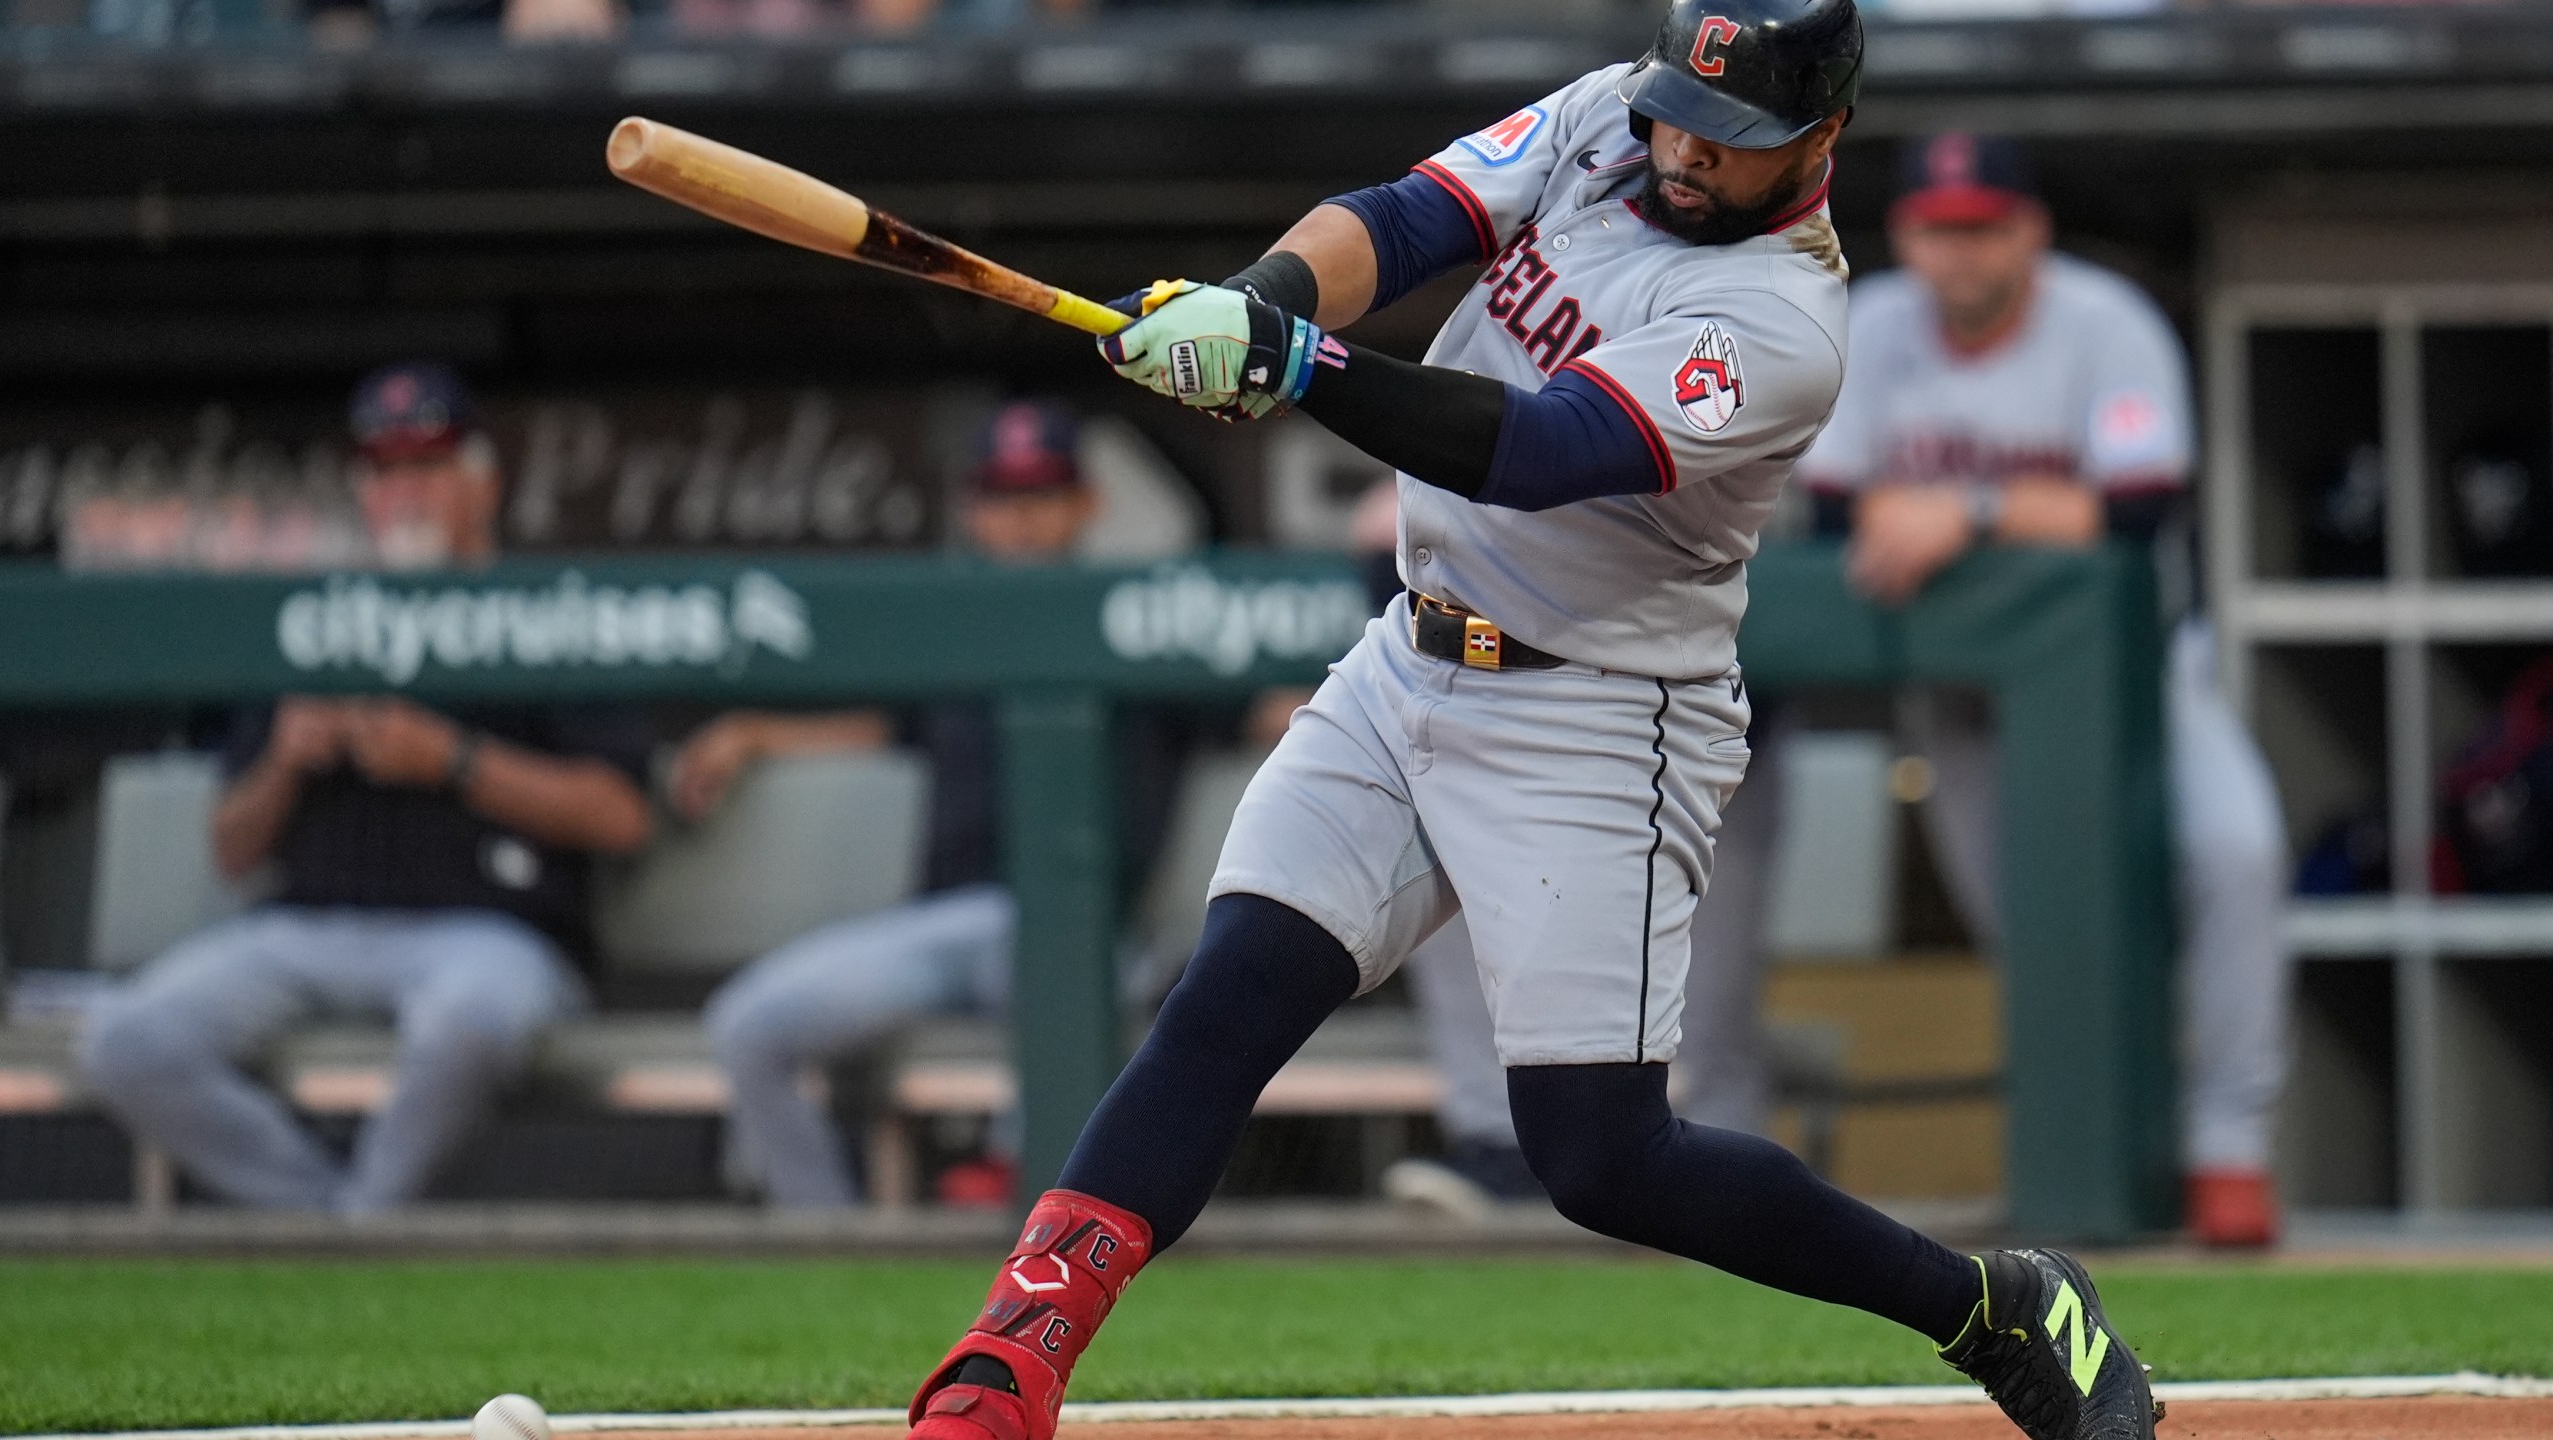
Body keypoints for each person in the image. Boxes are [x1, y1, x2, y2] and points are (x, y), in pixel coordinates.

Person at [902, 6, 2160, 1440]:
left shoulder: (1785, 322)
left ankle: (1994, 1308)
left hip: (1599, 718)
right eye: (1678, 114)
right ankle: (1010, 1359)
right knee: (1225, 1001)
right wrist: (1256, 303)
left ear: (1824, 136)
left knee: (1604, 1161)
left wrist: (1292, 365)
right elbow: (1407, 219)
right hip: (1408, 662)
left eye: (1732, 137)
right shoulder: (1608, 117)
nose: (1685, 153)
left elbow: (1541, 448)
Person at [1799, 133, 2291, 1248]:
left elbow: (2131, 514)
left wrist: (1963, 514)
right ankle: (2091, 1165)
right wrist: (2016, 519)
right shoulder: (1868, 324)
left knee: (2236, 855)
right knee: (2032, 929)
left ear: (2031, 231)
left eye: (1983, 226)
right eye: (1939, 228)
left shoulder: (2106, 322)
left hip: (2138, 675)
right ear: (1906, 235)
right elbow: (1836, 521)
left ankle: (2229, 1145)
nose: (1960, 251)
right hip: (1962, 692)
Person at [76, 363, 655, 1213]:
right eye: (385, 471)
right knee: (123, 1040)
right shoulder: (314, 619)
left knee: (469, 1023)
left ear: (482, 483)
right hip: (308, 930)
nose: (405, 491)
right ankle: (333, 1225)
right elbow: (231, 849)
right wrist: (284, 758)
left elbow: (623, 816)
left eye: (428, 466)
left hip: (486, 934)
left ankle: (361, 1227)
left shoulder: (542, 613)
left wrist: (453, 761)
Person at [689, 401, 1213, 1209]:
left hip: (1085, 938)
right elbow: (875, 725)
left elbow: (1268, 703)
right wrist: (752, 733)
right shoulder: (952, 626)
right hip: (942, 928)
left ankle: (1017, 1173)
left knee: (1059, 974)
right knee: (745, 1026)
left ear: (1085, 504)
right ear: (973, 510)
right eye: (1002, 496)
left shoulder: (1143, 622)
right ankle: (825, 1243)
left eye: (1042, 494)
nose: (1022, 517)